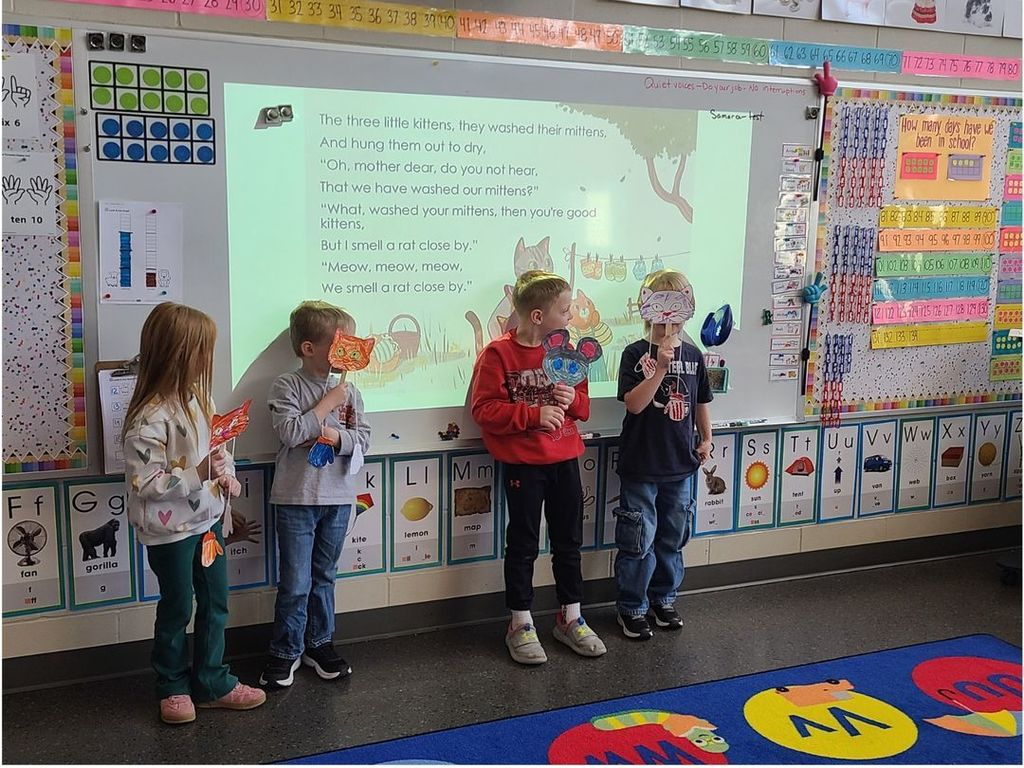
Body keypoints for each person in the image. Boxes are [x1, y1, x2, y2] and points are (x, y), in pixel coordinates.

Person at [123, 302, 266, 724]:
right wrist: (199, 472)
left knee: (216, 603)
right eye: (203, 351)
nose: (208, 360)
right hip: (169, 533)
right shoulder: (147, 418)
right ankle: (171, 684)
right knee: (177, 607)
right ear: (178, 354)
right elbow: (145, 483)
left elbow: (217, 453)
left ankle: (212, 681)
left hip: (208, 526)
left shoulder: (198, 400)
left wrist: (226, 481)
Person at [470, 270, 606, 665]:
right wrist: (532, 415)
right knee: (524, 544)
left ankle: (571, 617)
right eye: (564, 311)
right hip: (523, 464)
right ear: (537, 317)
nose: (570, 317)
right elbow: (484, 410)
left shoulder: (568, 355)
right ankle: (520, 622)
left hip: (565, 459)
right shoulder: (498, 355)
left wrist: (571, 399)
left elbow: (583, 408)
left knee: (569, 541)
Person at [260, 301, 371, 688]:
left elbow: (363, 439)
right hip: (296, 499)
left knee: (324, 577)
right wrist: (327, 406)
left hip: (339, 498)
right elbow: (290, 432)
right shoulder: (287, 385)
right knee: (295, 582)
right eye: (338, 343)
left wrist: (335, 436)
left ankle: (319, 643)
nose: (346, 351)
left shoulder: (350, 391)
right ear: (309, 348)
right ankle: (285, 649)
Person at [614, 270, 713, 640]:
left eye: (678, 306)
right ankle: (632, 606)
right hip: (642, 464)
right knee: (639, 540)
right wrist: (661, 368)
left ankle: (663, 599)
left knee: (672, 537)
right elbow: (635, 405)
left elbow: (701, 401)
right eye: (662, 306)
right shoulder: (634, 353)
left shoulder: (694, 355)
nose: (670, 317)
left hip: (681, 464)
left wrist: (707, 438)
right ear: (647, 309)